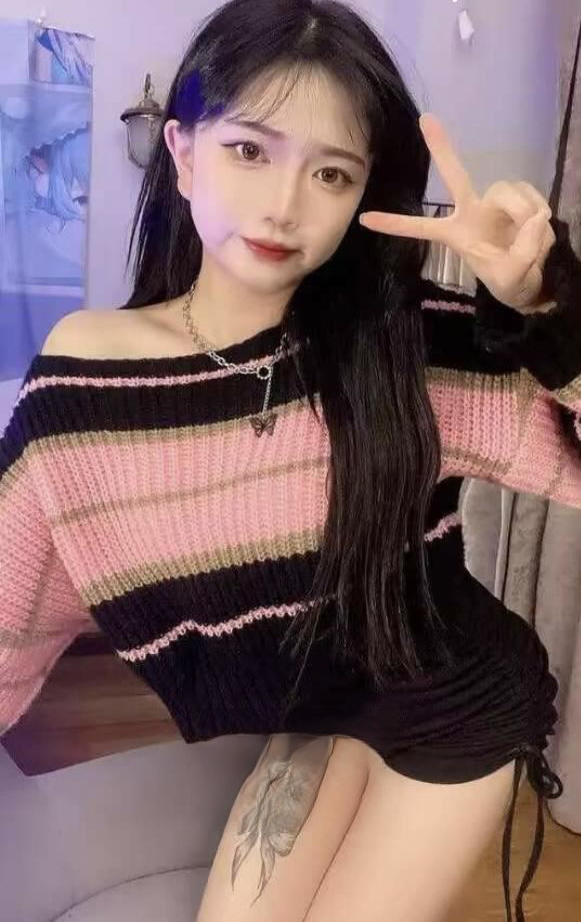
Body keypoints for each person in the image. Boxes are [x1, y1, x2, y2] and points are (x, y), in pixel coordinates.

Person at [1, 1, 580, 919]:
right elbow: (13, 606)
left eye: (332, 173)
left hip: (457, 705)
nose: (284, 205)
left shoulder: (402, 347)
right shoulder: (89, 379)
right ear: (182, 152)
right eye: (249, 151)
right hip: (320, 711)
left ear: (363, 196)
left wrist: (546, 306)